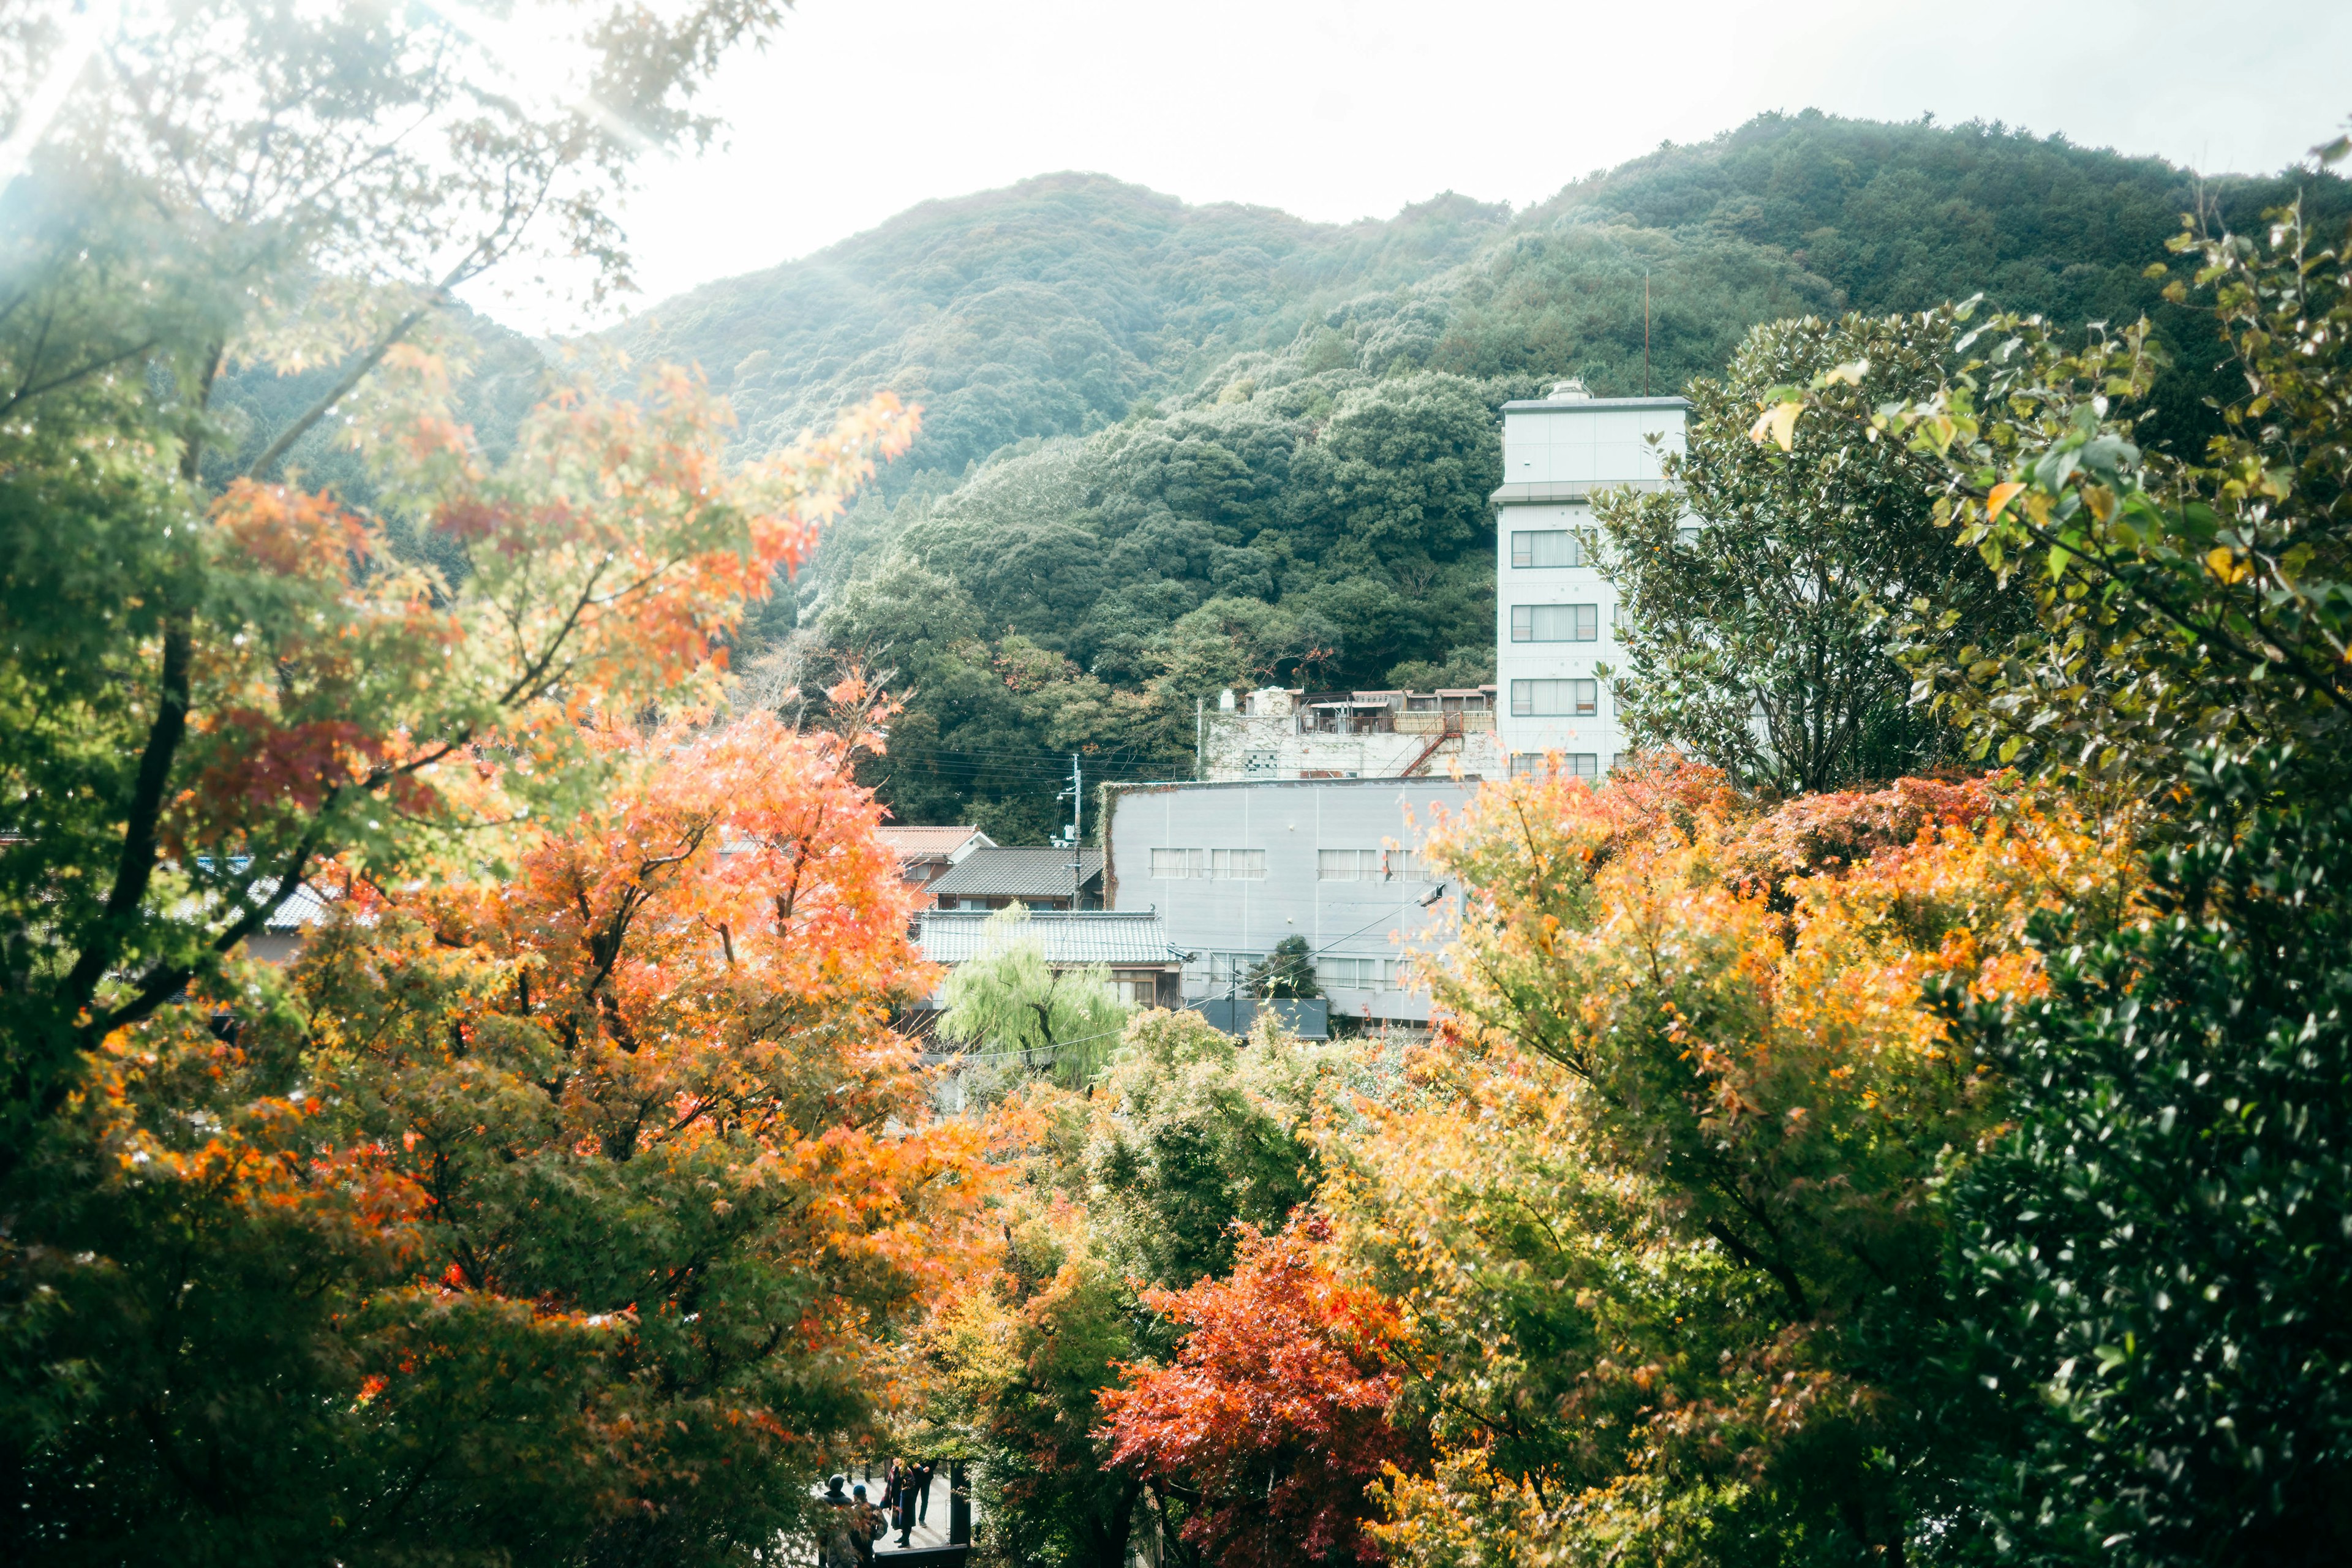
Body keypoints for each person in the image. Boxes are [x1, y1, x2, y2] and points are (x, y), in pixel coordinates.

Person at [819, 1476, 856, 1568]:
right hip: (842, 1535)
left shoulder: (822, 1500)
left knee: (822, 1561)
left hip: (824, 1534)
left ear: (830, 1485)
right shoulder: (847, 1501)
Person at [849, 1483, 884, 1566]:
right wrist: (877, 1536)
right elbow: (884, 1525)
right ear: (866, 1495)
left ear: (855, 1497)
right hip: (869, 1541)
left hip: (854, 1544)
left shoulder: (851, 1511)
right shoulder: (874, 1508)